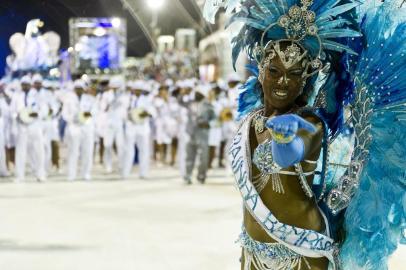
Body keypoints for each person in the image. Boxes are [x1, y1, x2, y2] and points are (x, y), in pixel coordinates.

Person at [204, 0, 406, 269]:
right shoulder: (249, 122)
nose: (282, 81)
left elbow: (290, 153)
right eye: (274, 71)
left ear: (304, 80)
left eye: (293, 74)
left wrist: (285, 142)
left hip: (302, 252)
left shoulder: (308, 123)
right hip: (253, 248)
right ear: (261, 71)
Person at [9, 75, 47, 182]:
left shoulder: (37, 95)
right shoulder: (17, 96)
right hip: (22, 126)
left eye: (27, 84)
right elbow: (12, 110)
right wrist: (17, 116)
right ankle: (19, 176)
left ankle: (40, 174)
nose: (25, 86)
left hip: (34, 126)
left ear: (30, 85)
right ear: (21, 85)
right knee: (20, 152)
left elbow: (44, 109)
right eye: (23, 85)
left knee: (39, 151)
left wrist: (37, 114)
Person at [62, 79, 97, 181]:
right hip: (74, 127)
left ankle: (86, 173)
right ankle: (71, 174)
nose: (78, 90)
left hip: (87, 127)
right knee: (73, 152)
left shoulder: (90, 99)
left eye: (80, 88)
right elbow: (64, 114)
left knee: (87, 151)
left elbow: (95, 110)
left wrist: (89, 114)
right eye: (76, 88)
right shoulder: (68, 100)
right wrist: (73, 119)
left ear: (84, 89)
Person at [122, 80, 156, 179]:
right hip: (131, 126)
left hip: (143, 127)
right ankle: (125, 172)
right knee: (128, 150)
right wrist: (129, 115)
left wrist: (145, 113)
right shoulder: (128, 99)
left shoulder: (147, 100)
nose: (137, 92)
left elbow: (152, 113)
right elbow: (123, 112)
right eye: (135, 90)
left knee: (144, 150)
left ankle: (143, 172)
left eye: (139, 90)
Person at [183, 84, 215, 184]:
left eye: (198, 93)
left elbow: (214, 118)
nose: (196, 94)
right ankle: (187, 176)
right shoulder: (191, 103)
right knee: (189, 156)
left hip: (202, 134)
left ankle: (201, 176)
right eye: (195, 93)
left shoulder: (208, 105)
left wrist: (208, 124)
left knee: (203, 157)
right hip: (191, 133)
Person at [99, 76, 127, 173]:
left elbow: (125, 110)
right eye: (113, 86)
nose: (115, 88)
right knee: (107, 145)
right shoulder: (106, 95)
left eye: (117, 87)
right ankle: (108, 165)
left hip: (119, 123)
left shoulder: (124, 96)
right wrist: (111, 102)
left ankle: (121, 165)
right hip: (109, 123)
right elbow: (103, 108)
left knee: (120, 145)